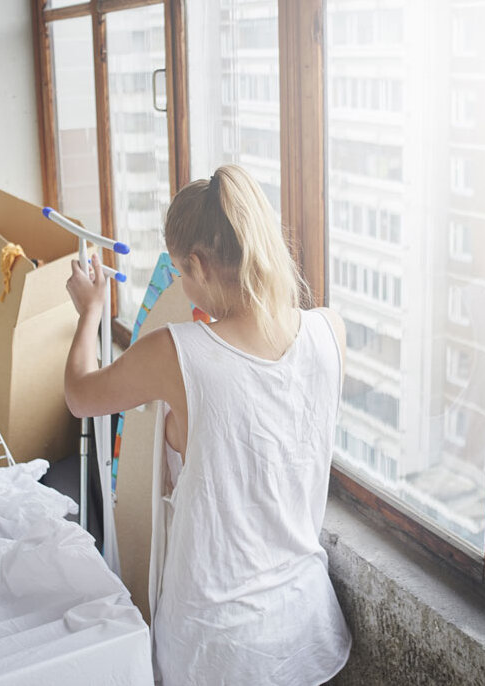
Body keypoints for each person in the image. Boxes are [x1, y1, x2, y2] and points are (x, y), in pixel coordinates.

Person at [63, 165, 352, 685]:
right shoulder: (330, 331)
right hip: (305, 625)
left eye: (179, 271)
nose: (180, 281)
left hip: (218, 647)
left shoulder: (176, 352)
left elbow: (81, 395)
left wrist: (91, 312)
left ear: (196, 264)